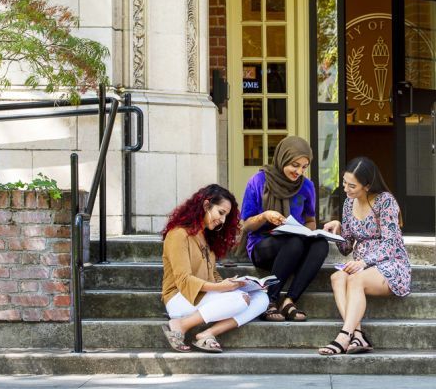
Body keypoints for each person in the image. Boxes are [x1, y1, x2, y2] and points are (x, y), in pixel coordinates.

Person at [160, 184, 268, 353]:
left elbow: (212, 275)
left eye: (226, 216)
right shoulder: (178, 234)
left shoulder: (205, 236)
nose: (223, 220)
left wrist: (236, 283)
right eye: (221, 213)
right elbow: (183, 279)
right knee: (240, 299)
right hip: (179, 298)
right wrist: (220, 288)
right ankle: (181, 325)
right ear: (206, 205)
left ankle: (208, 333)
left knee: (262, 298)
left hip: (203, 296)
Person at [319, 156, 411, 355]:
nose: (346, 189)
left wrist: (364, 262)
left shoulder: (385, 201)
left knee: (355, 280)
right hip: (361, 265)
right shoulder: (347, 204)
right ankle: (358, 335)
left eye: (352, 186)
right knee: (337, 278)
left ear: (367, 186)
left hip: (390, 264)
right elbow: (346, 248)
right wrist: (338, 231)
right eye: (344, 183)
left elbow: (391, 243)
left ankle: (343, 336)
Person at [241, 135, 329, 322]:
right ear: (282, 158)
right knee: (294, 242)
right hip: (263, 246)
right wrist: (264, 216)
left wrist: (309, 232)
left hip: (294, 245)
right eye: (294, 165)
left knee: (321, 244)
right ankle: (270, 300)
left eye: (304, 167)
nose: (299, 171)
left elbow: (310, 220)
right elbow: (246, 225)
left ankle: (289, 300)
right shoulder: (258, 181)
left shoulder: (306, 186)